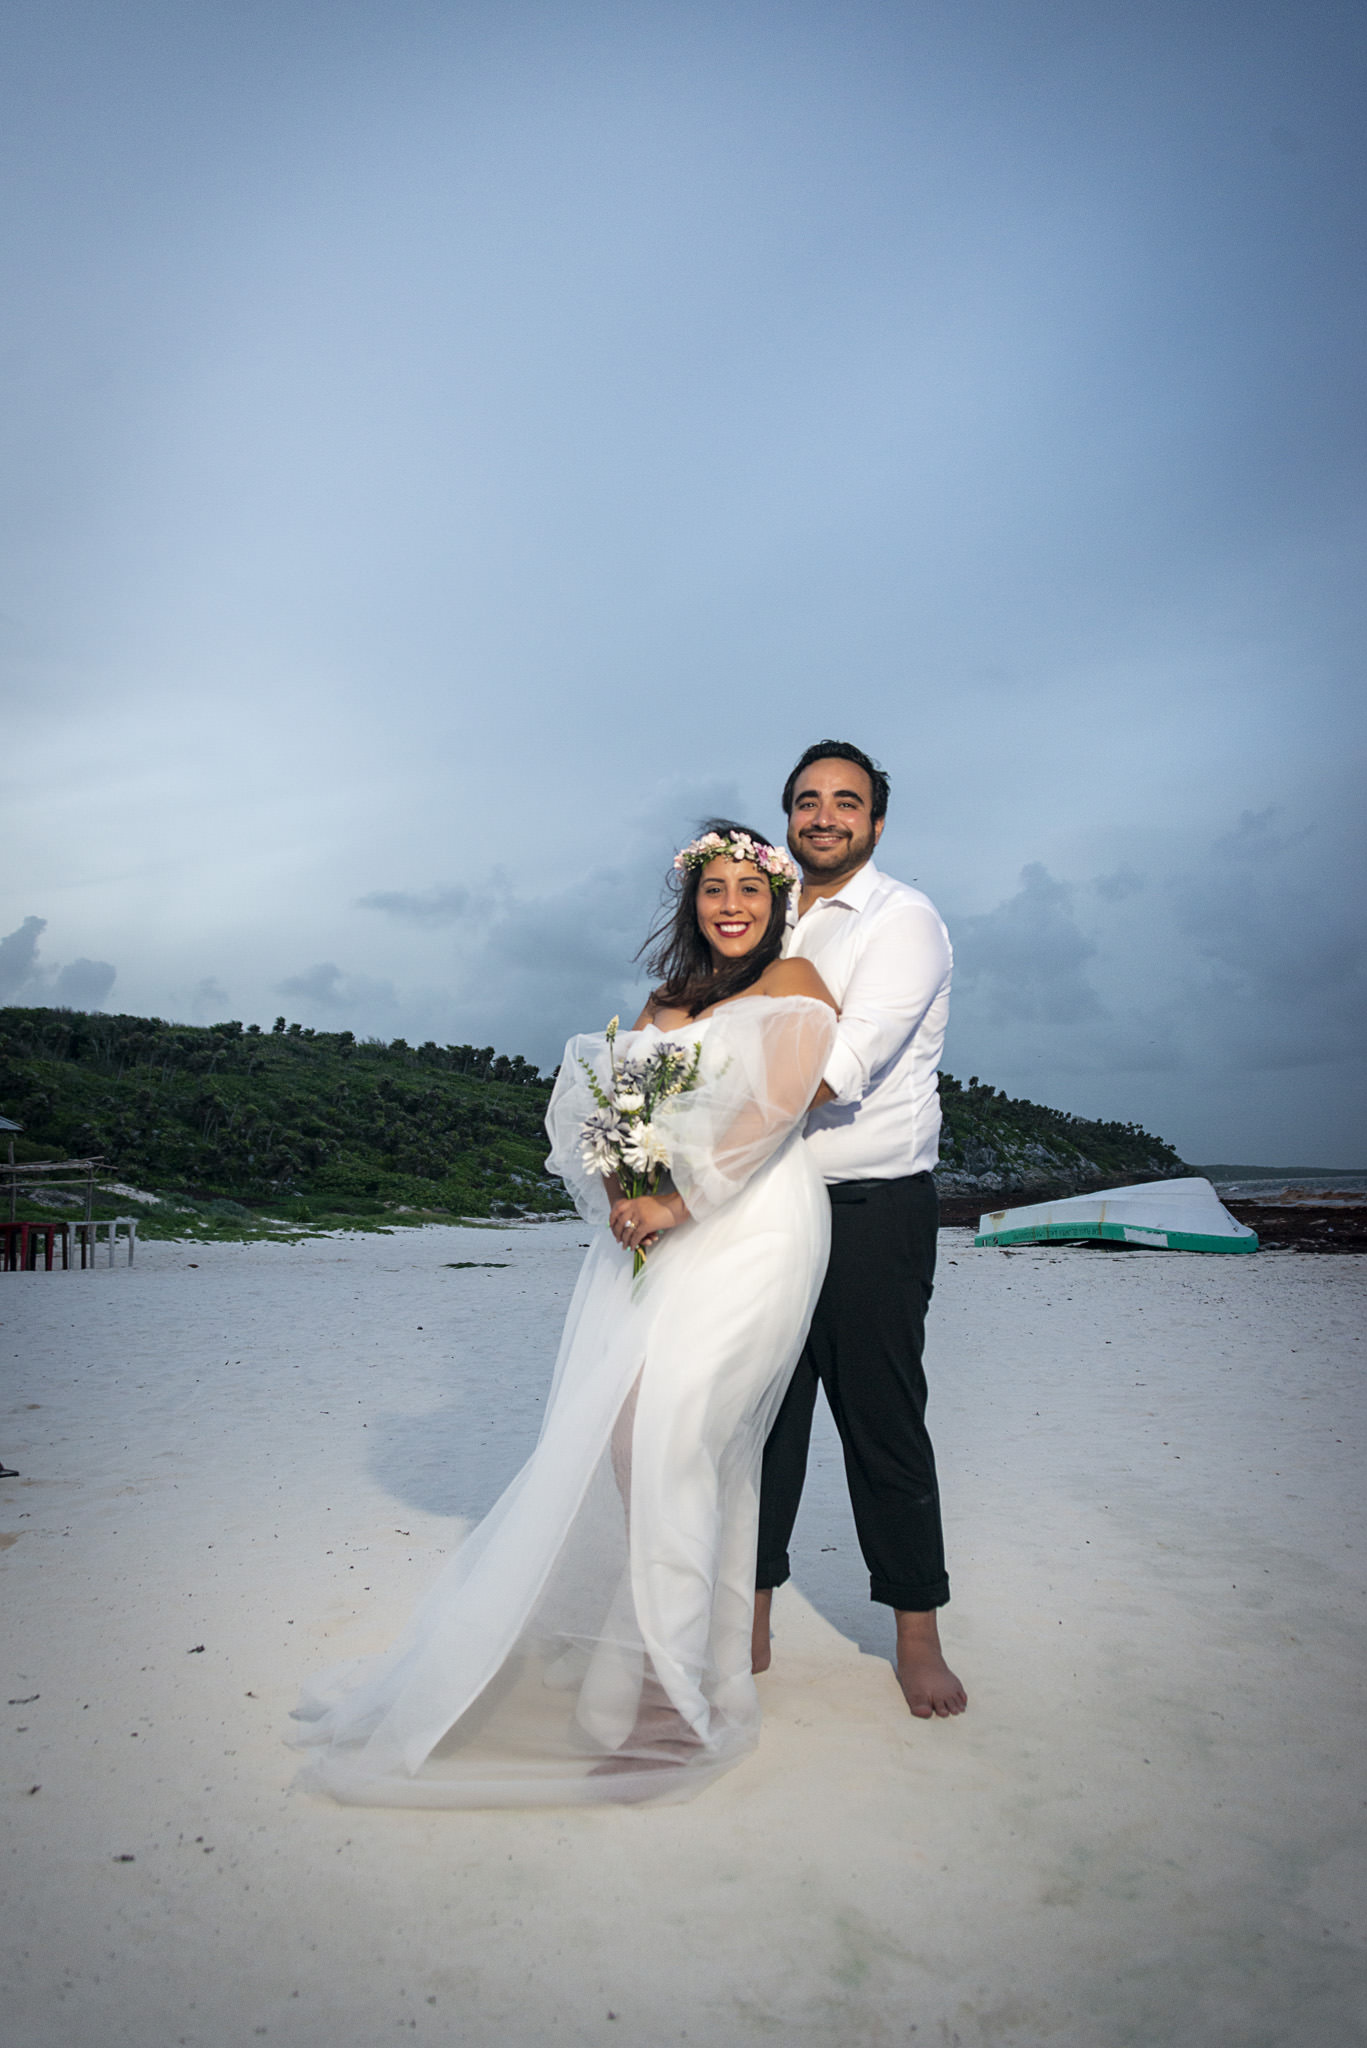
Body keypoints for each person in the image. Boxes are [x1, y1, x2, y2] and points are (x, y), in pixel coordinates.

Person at [293, 822, 838, 1805]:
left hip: (751, 1226)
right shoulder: (665, 1001)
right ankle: (650, 1653)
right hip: (652, 1231)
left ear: (773, 901)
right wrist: (625, 1183)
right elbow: (611, 1106)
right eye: (712, 888)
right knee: (633, 1441)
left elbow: (778, 1109)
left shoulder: (794, 982)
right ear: (691, 900)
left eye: (746, 891)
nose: (729, 905)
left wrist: (679, 1198)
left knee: (672, 1434)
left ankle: (671, 1706)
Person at [753, 742, 968, 1719]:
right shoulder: (754, 913)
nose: (824, 815)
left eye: (846, 802)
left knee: (881, 1422)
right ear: (787, 816)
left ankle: (915, 1634)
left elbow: (841, 1064)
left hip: (870, 1208)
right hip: (757, 1204)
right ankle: (749, 1614)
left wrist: (694, 1114)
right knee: (755, 1420)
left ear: (876, 823)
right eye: (807, 801)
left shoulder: (903, 920)